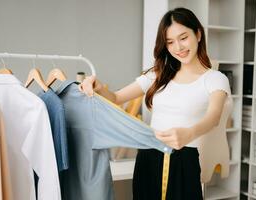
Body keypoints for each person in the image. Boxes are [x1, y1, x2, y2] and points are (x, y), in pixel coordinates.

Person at [80, 7, 231, 200]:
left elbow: (214, 117)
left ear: (198, 34)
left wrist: (190, 133)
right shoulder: (158, 75)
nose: (178, 47)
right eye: (170, 42)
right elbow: (116, 98)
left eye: (183, 37)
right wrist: (99, 87)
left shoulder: (214, 79)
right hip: (148, 155)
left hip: (183, 159)